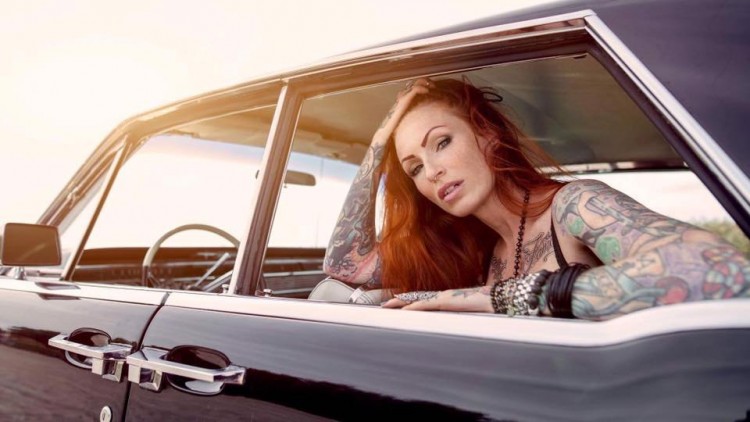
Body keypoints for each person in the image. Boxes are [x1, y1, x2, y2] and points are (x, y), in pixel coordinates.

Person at [323, 78, 750, 320]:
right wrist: (379, 143)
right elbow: (345, 266)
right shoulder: (472, 247)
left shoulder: (574, 206)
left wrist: (499, 297)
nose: (431, 170)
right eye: (414, 167)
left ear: (486, 134)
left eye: (442, 142)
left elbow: (719, 268)